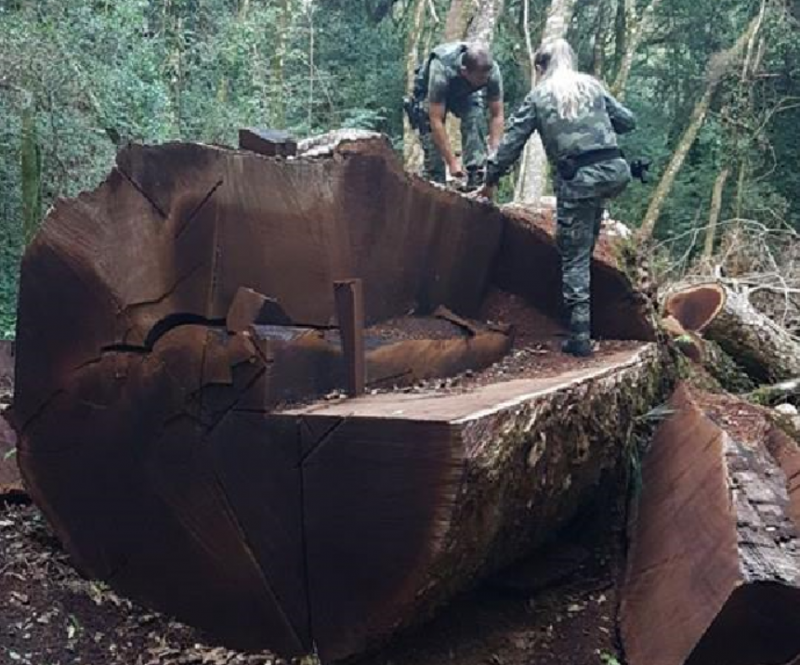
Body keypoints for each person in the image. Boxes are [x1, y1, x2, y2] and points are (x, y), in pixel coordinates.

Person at [474, 38, 636, 357]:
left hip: (578, 180)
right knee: (584, 239)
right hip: (615, 172)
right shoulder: (592, 85)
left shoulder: (539, 97)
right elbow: (627, 121)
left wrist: (489, 180)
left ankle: (579, 337)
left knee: (573, 255)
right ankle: (593, 313)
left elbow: (509, 147)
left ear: (541, 67)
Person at [407, 41, 505, 189]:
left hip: (465, 93)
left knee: (475, 115)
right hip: (432, 96)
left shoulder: (491, 72)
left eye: (487, 77)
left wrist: (495, 153)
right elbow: (436, 119)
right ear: (465, 71)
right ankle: (435, 181)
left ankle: (476, 175)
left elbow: (497, 114)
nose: (486, 81)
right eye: (481, 79)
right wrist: (452, 162)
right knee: (431, 144)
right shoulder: (441, 69)